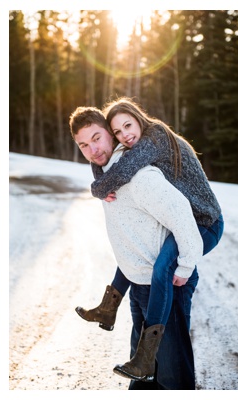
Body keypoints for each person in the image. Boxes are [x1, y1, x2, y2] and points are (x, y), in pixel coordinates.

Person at [72, 98, 224, 384]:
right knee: (145, 378)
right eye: (84, 146)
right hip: (142, 286)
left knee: (173, 379)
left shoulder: (141, 162)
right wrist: (100, 182)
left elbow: (181, 215)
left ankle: (141, 354)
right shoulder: (111, 167)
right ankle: (111, 311)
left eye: (97, 139)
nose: (93, 150)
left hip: (203, 223)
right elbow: (103, 166)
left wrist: (186, 266)